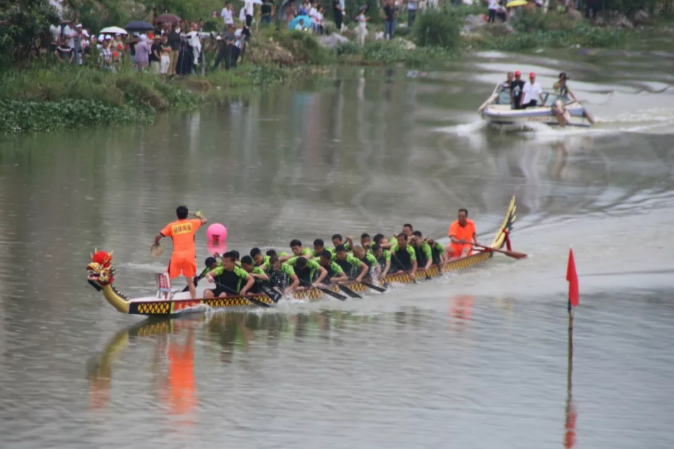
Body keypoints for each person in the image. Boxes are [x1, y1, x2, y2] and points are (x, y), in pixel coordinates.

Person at [154, 206, 207, 299]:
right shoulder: (193, 223)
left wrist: (156, 243)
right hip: (190, 257)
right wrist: (199, 215)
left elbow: (158, 236)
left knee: (168, 278)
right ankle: (193, 301)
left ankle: (165, 300)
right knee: (190, 282)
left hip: (176, 257)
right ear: (187, 215)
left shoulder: (171, 226)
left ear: (176, 215)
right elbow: (205, 220)